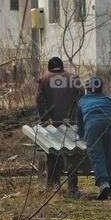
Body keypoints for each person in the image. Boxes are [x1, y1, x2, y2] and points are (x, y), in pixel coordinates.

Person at [36, 57, 82, 196]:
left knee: (52, 152)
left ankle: (52, 185)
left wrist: (45, 118)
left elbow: (39, 100)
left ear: (50, 67)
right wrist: (74, 115)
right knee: (72, 152)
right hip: (70, 123)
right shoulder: (73, 78)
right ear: (62, 67)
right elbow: (81, 94)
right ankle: (72, 188)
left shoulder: (44, 79)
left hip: (52, 124)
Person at [76, 76, 111, 200]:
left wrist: (81, 135)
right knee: (110, 156)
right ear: (101, 88)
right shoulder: (108, 99)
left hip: (93, 127)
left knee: (97, 155)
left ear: (87, 89)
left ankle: (103, 183)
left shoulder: (82, 101)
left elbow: (79, 123)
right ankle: (110, 191)